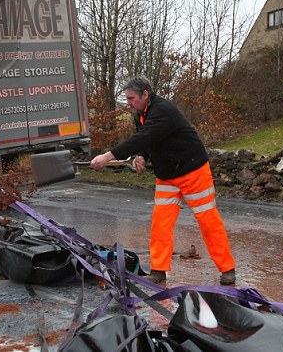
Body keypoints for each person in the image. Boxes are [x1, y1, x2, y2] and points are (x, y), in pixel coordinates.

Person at [90, 77, 236, 285]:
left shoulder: (162, 110)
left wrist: (108, 156)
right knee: (160, 225)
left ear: (145, 95)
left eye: (131, 98)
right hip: (167, 176)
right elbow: (148, 141)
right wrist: (142, 156)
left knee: (208, 221)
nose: (128, 103)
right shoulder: (140, 115)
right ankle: (158, 271)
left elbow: (145, 136)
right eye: (127, 99)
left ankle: (227, 269)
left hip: (193, 171)